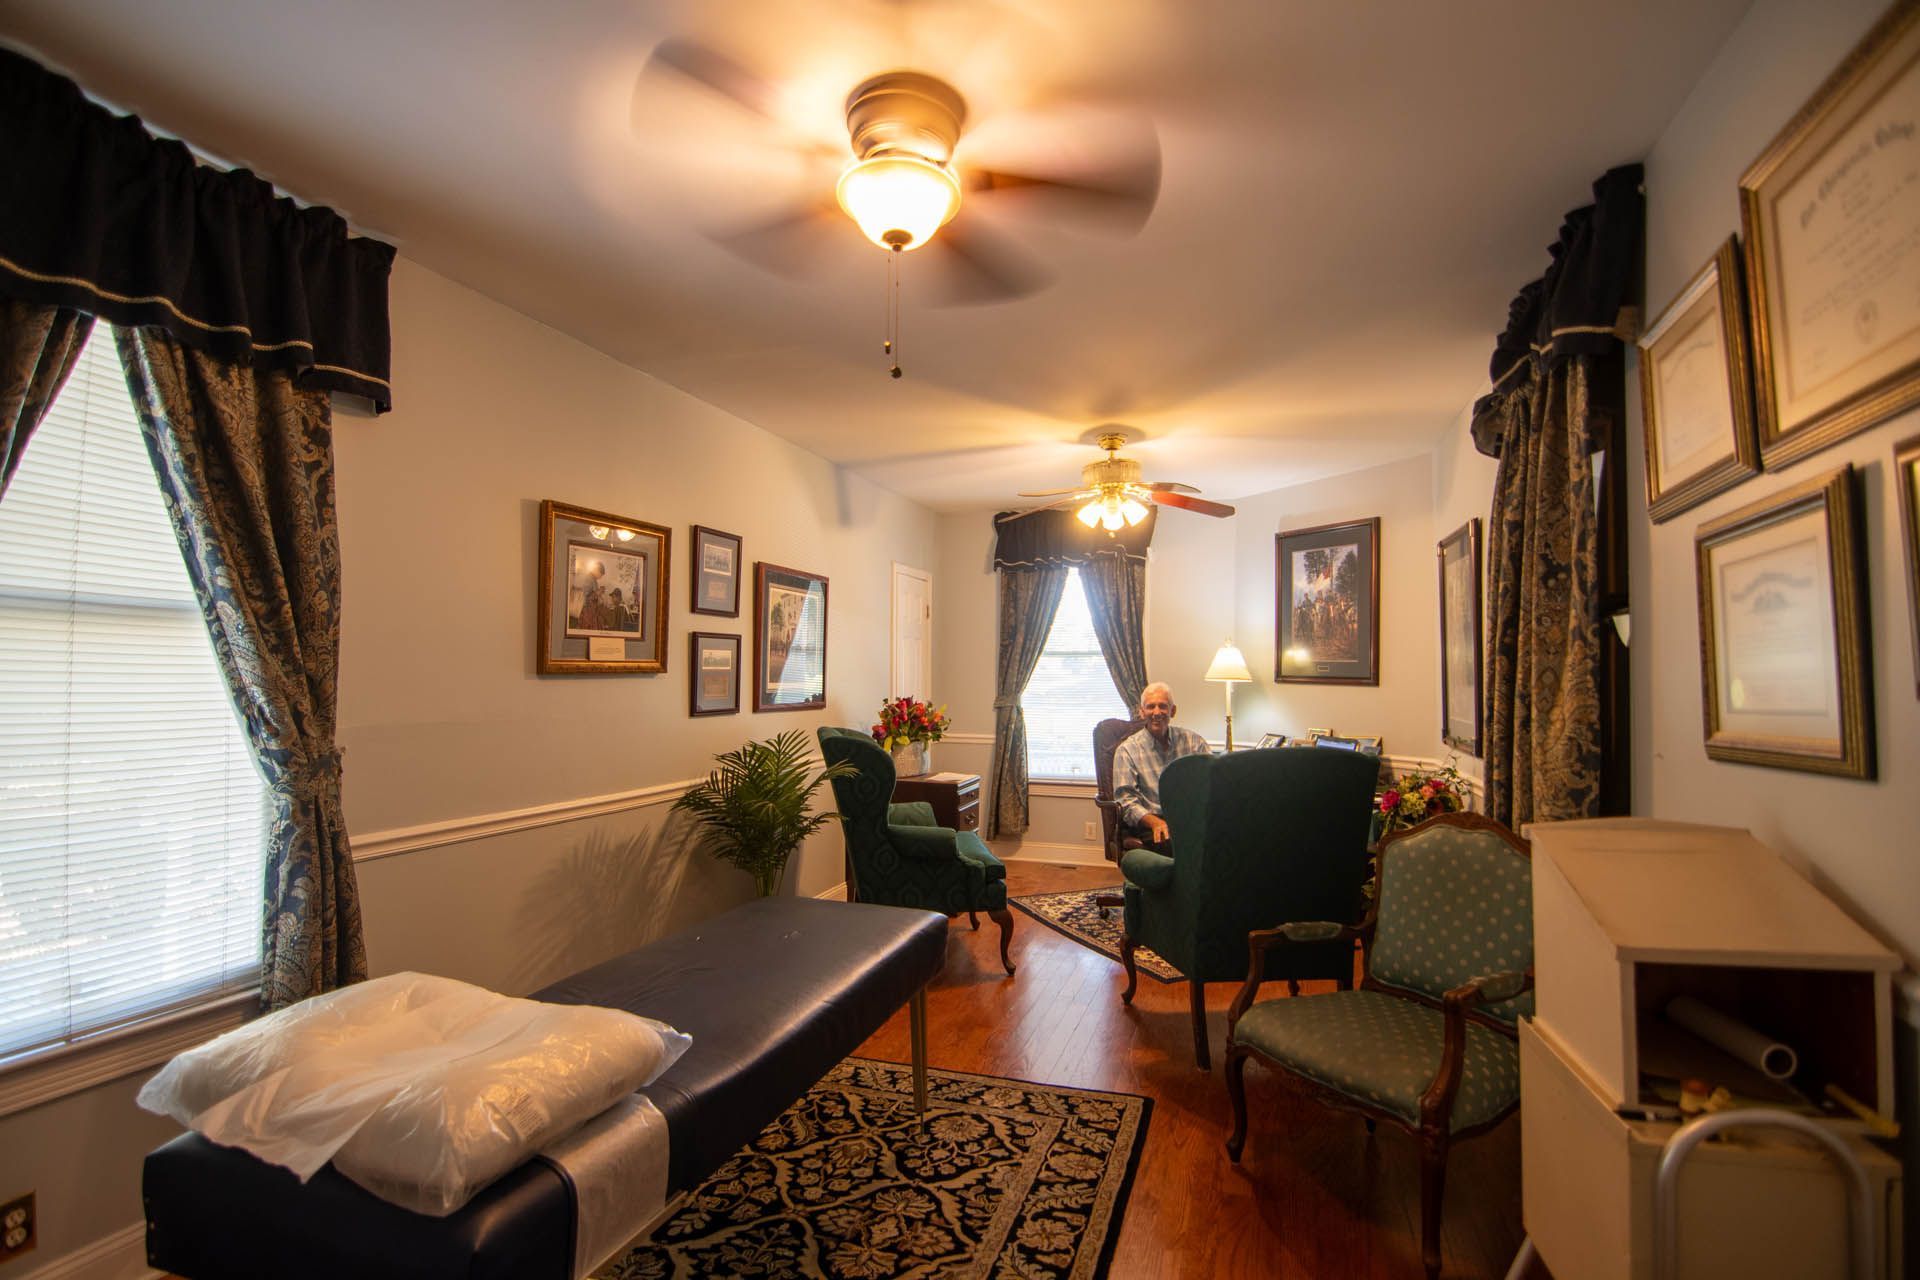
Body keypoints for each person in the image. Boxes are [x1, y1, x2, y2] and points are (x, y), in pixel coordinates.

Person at [1111, 682, 1211, 853]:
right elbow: (1126, 801)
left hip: (1189, 818)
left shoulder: (1194, 742)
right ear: (1141, 712)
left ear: (1173, 710)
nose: (1157, 712)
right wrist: (1154, 822)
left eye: (1163, 706)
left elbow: (1211, 783)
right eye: (1150, 707)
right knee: (1181, 847)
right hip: (1151, 821)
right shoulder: (1127, 750)